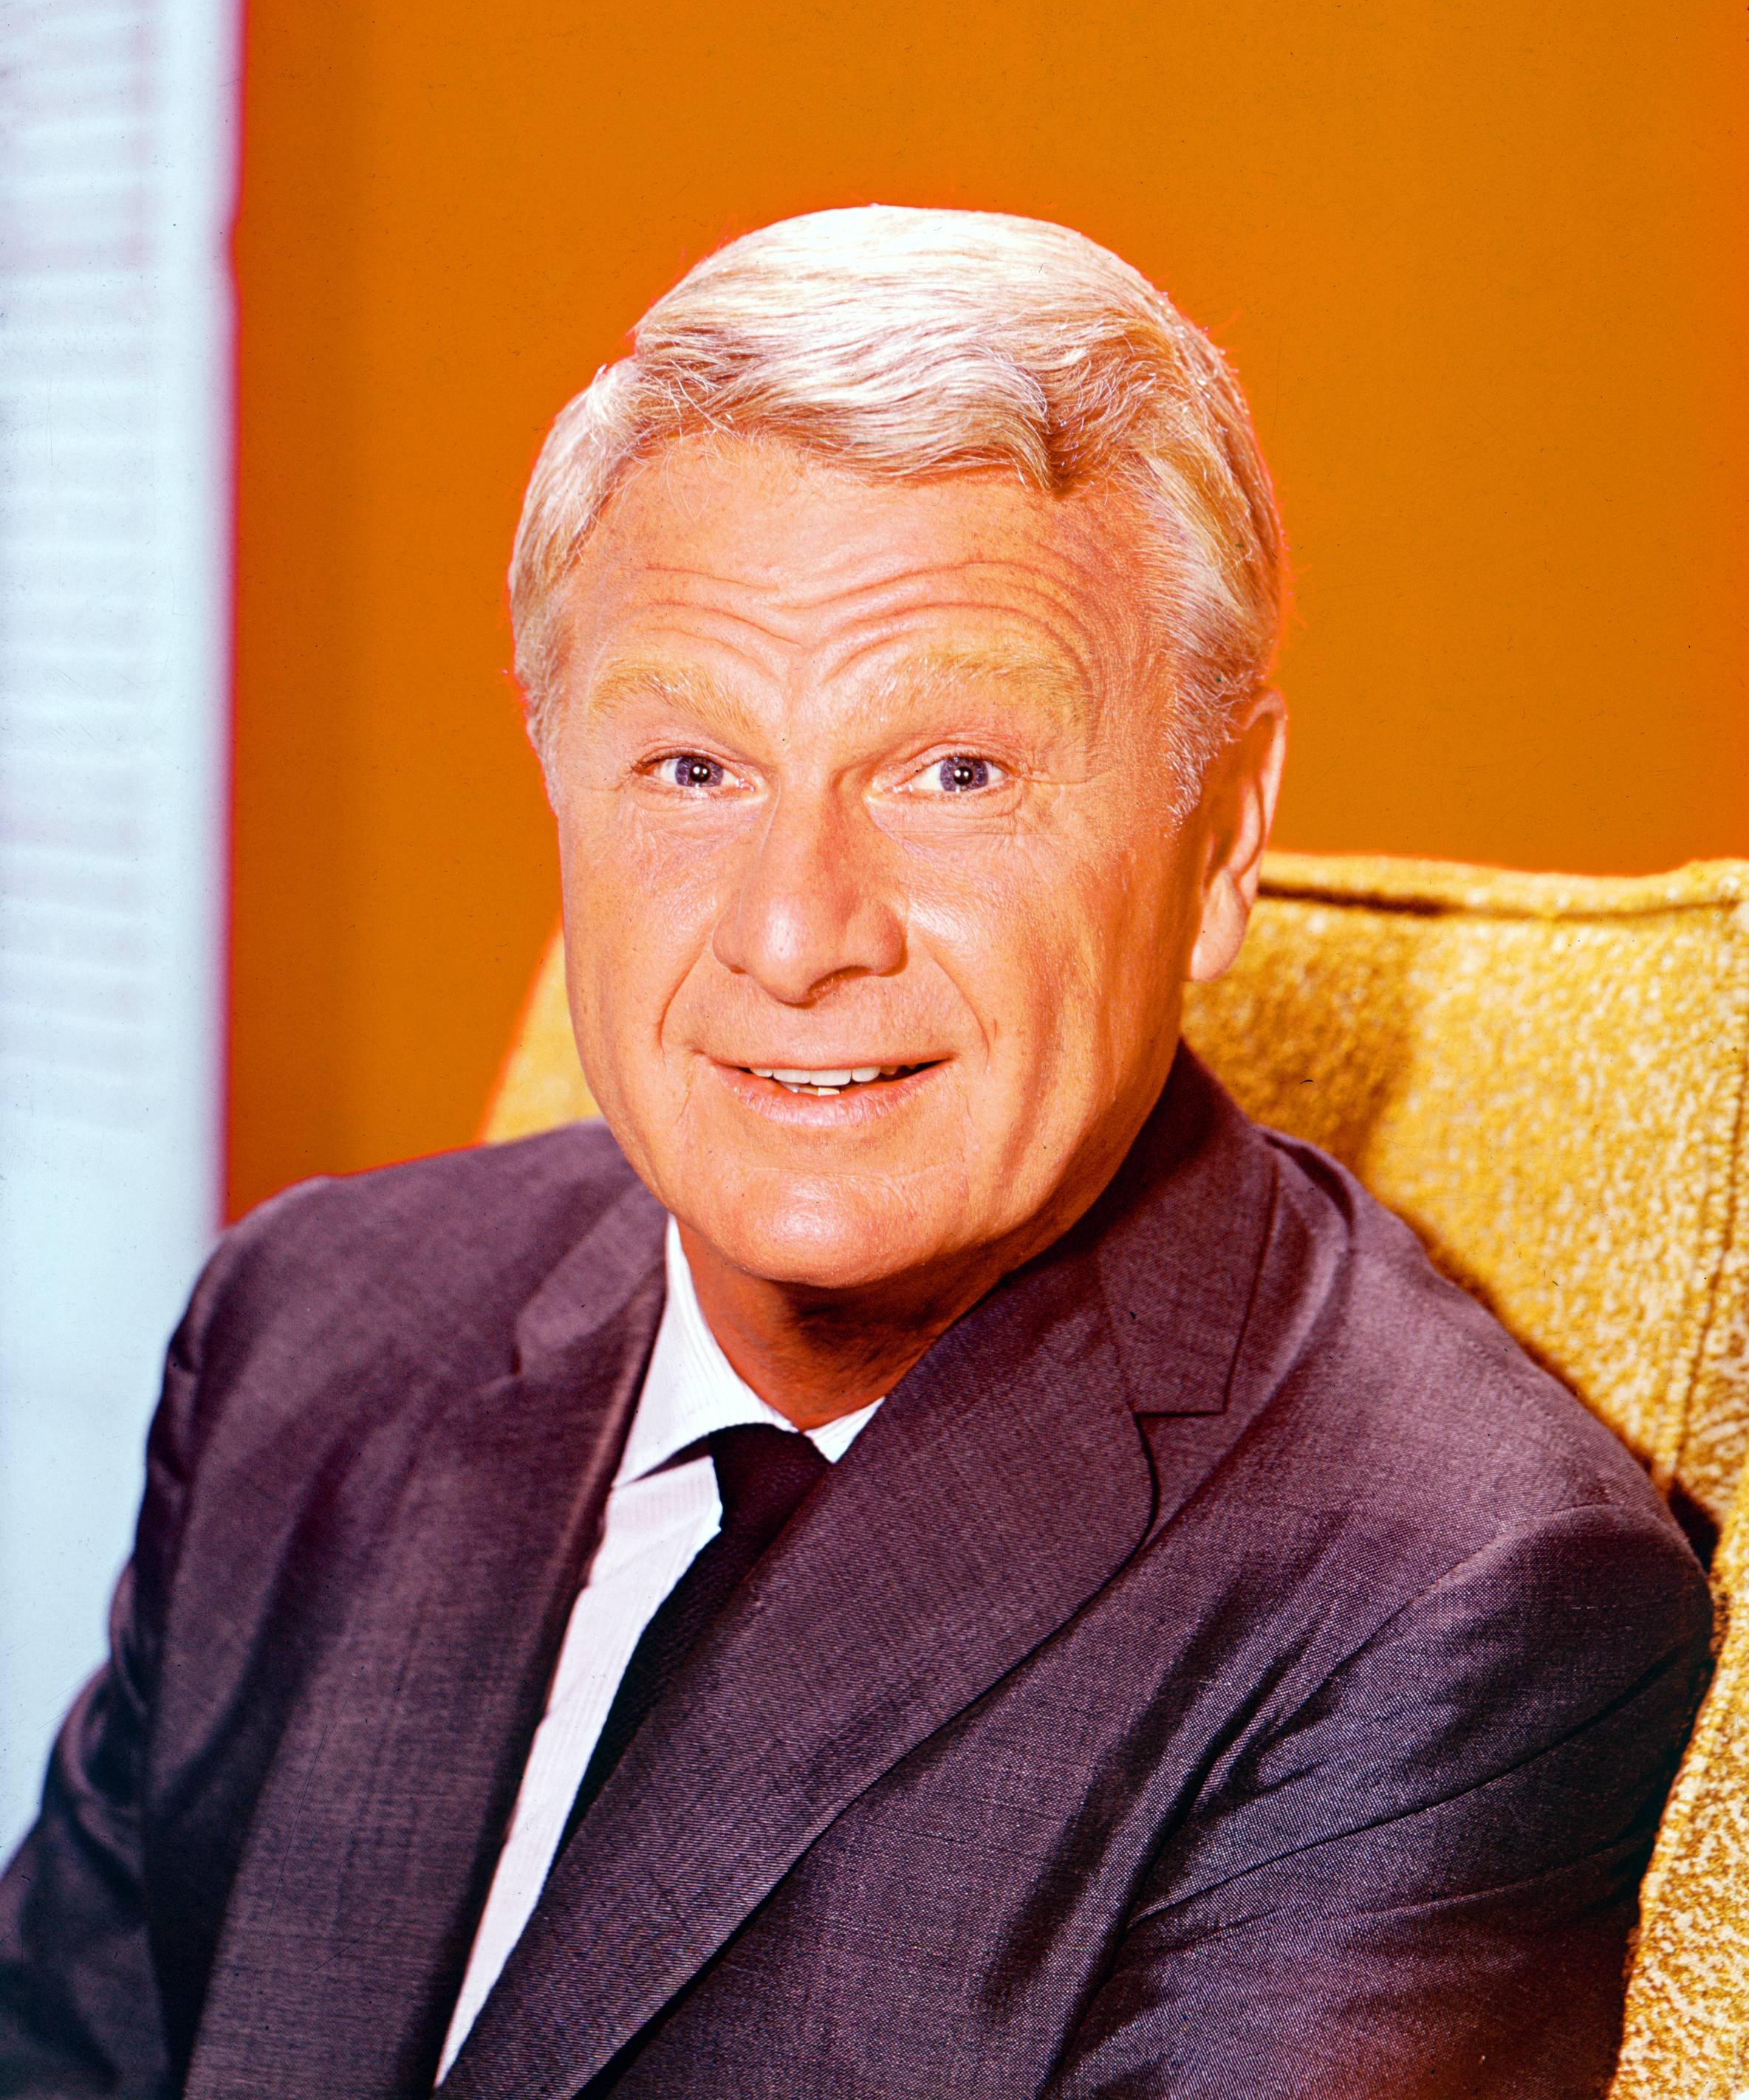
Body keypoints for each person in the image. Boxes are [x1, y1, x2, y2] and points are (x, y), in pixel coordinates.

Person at [0, 207, 1711, 2100]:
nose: (796, 931)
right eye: (693, 770)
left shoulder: (1444, 1594)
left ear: (1219, 835)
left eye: (952, 774)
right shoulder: (310, 1325)